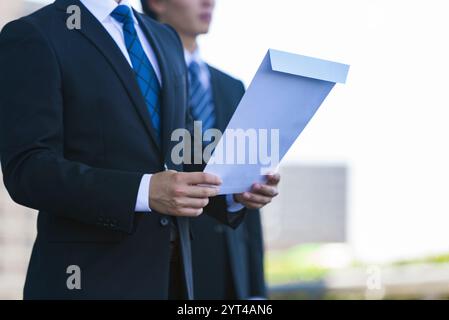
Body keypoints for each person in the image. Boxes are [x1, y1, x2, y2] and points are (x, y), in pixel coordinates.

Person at [0, 0, 279, 299]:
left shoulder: (164, 38)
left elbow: (182, 147)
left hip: (174, 283)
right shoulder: (35, 35)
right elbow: (29, 169)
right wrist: (144, 191)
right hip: (90, 284)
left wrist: (233, 191)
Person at [141, 0, 268, 299]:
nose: (209, 1)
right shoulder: (143, 80)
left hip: (230, 268)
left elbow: (245, 190)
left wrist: (256, 291)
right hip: (169, 264)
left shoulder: (231, 86)